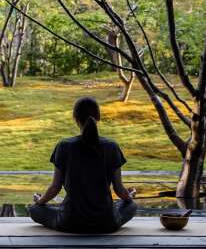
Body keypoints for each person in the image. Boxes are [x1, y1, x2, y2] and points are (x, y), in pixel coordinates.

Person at [28, 97, 137, 233]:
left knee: (34, 209)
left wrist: (40, 201)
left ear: (75, 118)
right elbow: (119, 190)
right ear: (98, 117)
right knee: (131, 206)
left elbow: (55, 188)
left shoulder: (64, 146)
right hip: (106, 222)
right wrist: (130, 197)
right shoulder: (111, 147)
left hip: (70, 222)